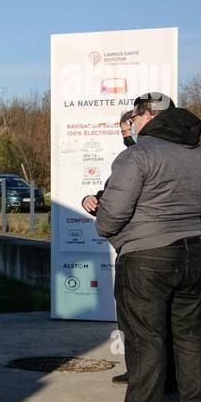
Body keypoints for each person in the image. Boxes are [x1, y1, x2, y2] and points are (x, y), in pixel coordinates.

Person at [93, 92, 201, 402]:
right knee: (190, 330)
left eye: (134, 117)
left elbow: (112, 216)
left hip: (147, 256)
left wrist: (101, 219)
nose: (131, 124)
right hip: (193, 251)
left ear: (146, 116)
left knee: (144, 335)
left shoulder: (137, 156)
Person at [83, 110, 136, 384]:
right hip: (130, 249)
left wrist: (105, 222)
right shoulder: (129, 161)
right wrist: (92, 200)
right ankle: (138, 370)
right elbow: (111, 196)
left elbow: (120, 206)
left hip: (137, 249)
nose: (124, 137)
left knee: (140, 319)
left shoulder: (138, 160)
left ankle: (147, 379)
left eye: (126, 132)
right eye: (121, 133)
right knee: (129, 317)